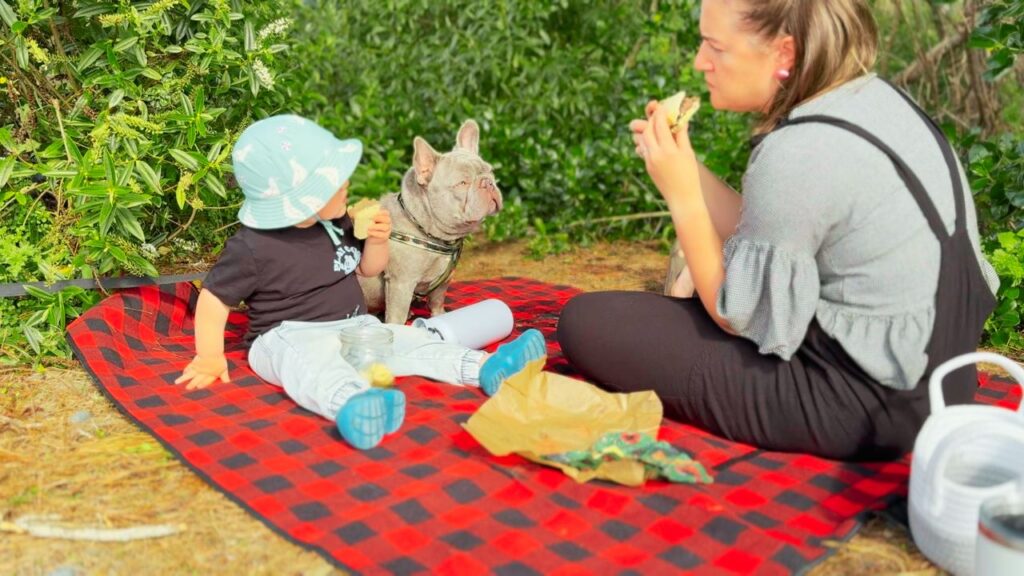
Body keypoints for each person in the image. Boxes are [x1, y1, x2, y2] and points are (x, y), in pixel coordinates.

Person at [556, 0, 998, 460]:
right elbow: (775, 234)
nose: (699, 62)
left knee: (587, 322)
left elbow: (733, 311)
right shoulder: (874, 99)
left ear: (784, 53)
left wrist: (682, 195)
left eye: (715, 47)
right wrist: (682, 165)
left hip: (869, 407)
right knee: (690, 280)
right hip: (943, 377)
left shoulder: (796, 151)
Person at [174, 114, 545, 450]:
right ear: (298, 197)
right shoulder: (253, 246)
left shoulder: (337, 224)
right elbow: (214, 299)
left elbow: (369, 269)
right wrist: (209, 356)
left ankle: (485, 367)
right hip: (285, 335)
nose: (347, 183)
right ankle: (352, 404)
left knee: (409, 339)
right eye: (335, 181)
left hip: (354, 327)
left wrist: (378, 240)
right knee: (311, 366)